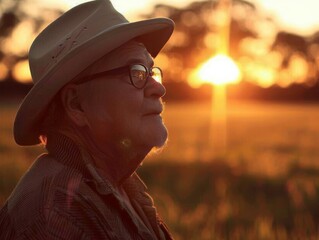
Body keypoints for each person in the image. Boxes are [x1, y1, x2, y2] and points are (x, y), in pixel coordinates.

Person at [0, 0, 174, 239]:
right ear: (76, 104)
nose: (158, 89)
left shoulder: (116, 185)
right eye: (136, 73)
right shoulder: (56, 215)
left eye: (152, 72)